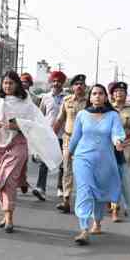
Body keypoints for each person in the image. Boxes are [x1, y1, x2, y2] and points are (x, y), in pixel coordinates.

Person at [0, 71, 60, 233]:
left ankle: (9, 216)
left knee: (8, 178)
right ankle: (6, 210)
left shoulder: (26, 103)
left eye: (11, 83)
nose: (8, 86)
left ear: (17, 84)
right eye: (5, 83)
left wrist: (19, 125)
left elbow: (36, 124)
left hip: (17, 143)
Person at [69, 84, 126, 245]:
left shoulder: (113, 115)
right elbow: (75, 136)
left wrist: (118, 142)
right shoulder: (82, 114)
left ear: (106, 97)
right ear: (90, 97)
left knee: (100, 194)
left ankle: (98, 221)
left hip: (104, 161)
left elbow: (117, 133)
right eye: (94, 93)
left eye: (101, 93)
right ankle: (84, 229)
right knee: (85, 190)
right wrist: (69, 152)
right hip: (83, 158)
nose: (97, 96)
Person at [53, 74, 89, 214]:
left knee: (84, 171)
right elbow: (60, 119)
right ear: (72, 87)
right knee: (67, 169)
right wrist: (52, 135)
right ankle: (66, 200)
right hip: (68, 139)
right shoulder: (67, 101)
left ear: (85, 87)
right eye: (76, 84)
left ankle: (84, 200)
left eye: (81, 84)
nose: (79, 86)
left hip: (86, 141)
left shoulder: (90, 102)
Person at [109, 81, 130, 221]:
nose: (119, 93)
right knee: (109, 174)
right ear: (112, 94)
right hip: (109, 145)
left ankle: (117, 207)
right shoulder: (107, 108)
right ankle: (109, 200)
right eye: (116, 91)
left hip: (126, 144)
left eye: (122, 91)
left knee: (120, 174)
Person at [35, 70, 67, 201]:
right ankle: (40, 188)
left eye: (58, 81)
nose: (56, 83)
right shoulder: (45, 98)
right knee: (44, 162)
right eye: (53, 81)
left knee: (63, 163)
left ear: (62, 83)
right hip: (48, 135)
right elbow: (40, 116)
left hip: (63, 135)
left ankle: (61, 187)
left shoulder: (68, 98)